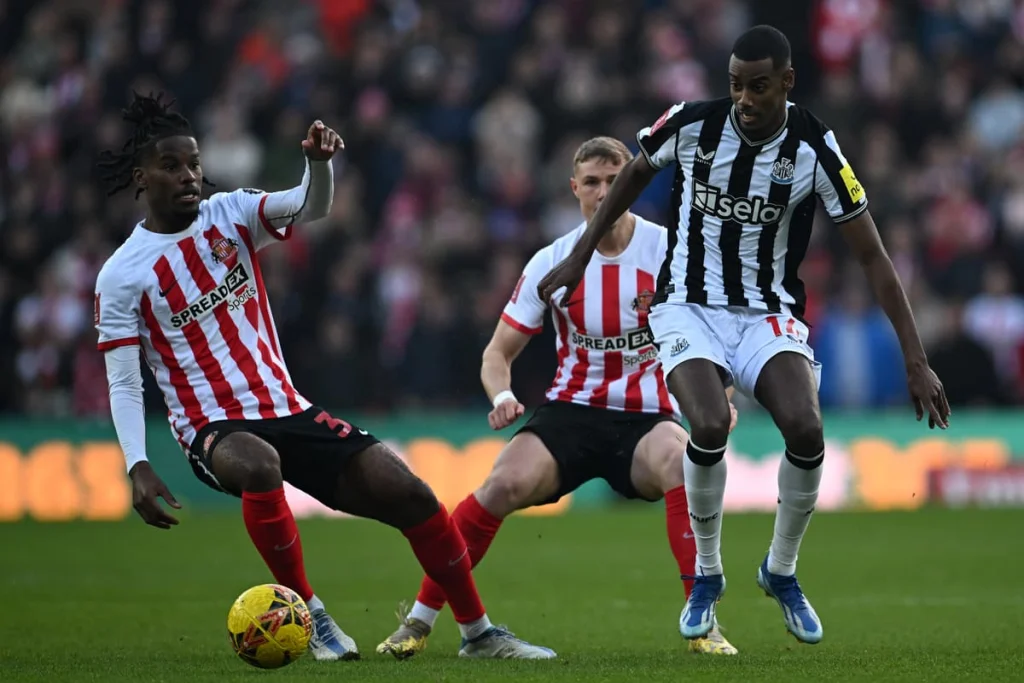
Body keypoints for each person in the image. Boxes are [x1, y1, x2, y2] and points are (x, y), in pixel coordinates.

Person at [93, 93, 555, 662]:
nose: (189, 176)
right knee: (261, 466)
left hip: (287, 407)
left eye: (193, 163)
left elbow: (309, 207)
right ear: (142, 177)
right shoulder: (122, 275)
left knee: (411, 494)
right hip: (212, 427)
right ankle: (310, 614)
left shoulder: (230, 212)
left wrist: (317, 164)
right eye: (171, 166)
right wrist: (137, 463)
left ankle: (479, 633)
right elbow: (123, 380)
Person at [537, 26, 950, 646]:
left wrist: (916, 361)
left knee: (807, 429)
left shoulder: (815, 148)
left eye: (758, 87)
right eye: (735, 85)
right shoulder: (692, 125)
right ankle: (707, 575)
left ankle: (780, 571)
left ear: (787, 82)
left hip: (766, 311)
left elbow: (874, 258)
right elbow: (632, 175)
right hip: (685, 304)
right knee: (706, 425)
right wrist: (580, 254)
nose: (744, 99)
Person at [376, 137, 739, 659]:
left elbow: (715, 331)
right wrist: (501, 393)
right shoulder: (553, 261)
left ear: (632, 184)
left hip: (646, 419)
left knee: (683, 466)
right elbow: (497, 352)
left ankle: (704, 626)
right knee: (501, 484)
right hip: (571, 414)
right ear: (574, 189)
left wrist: (722, 393)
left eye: (615, 180)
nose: (603, 191)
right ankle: (419, 620)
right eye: (591, 182)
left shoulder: (668, 252)